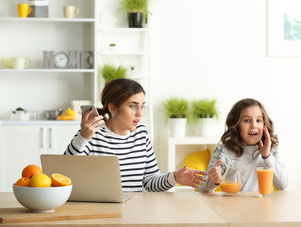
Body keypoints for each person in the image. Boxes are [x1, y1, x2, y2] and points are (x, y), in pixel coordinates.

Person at [64, 78, 206, 192]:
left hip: (134, 210)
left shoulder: (141, 134)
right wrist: (83, 137)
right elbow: (66, 174)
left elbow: (150, 182)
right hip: (98, 211)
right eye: (133, 106)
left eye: (142, 106)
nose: (139, 113)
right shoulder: (91, 134)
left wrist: (175, 177)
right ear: (113, 108)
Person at [198, 98, 288, 192]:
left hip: (261, 205)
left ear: (264, 124)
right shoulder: (225, 151)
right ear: (236, 125)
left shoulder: (269, 150)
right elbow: (202, 189)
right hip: (232, 205)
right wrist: (214, 180)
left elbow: (283, 185)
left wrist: (267, 156)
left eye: (258, 120)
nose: (254, 125)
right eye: (247, 120)